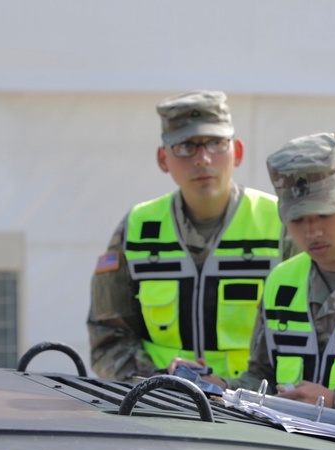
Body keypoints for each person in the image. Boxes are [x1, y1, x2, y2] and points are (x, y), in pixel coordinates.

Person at [195, 132, 335, 413]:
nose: (312, 231)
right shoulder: (281, 280)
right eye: (297, 219)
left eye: (324, 214)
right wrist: (219, 386)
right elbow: (263, 377)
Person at [88, 90, 291, 381]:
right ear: (163, 158)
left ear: (238, 152)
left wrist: (236, 389)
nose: (203, 159)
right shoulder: (135, 229)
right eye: (186, 146)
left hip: (253, 411)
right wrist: (158, 378)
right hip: (159, 403)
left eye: (216, 143)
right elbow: (107, 336)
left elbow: (304, 340)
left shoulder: (281, 223)